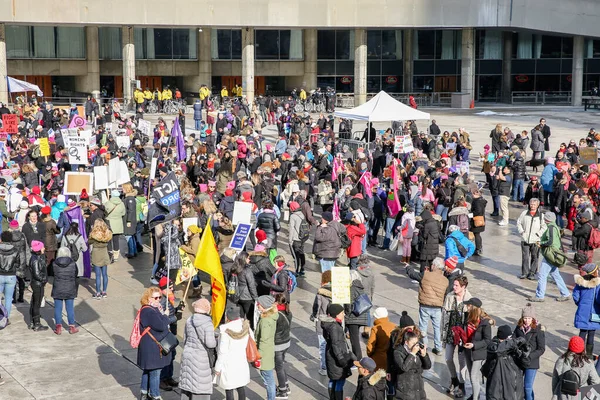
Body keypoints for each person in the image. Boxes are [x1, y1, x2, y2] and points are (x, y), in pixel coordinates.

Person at [406, 257, 448, 355]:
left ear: (434, 266)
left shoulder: (426, 275)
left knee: (423, 328)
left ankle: (423, 347)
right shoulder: (445, 280)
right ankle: (438, 348)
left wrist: (408, 268)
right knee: (437, 328)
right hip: (437, 307)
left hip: (425, 305)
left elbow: (413, 275)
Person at [137, 287, 172, 400]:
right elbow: (161, 326)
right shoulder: (149, 311)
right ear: (148, 298)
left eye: (159, 297)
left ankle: (144, 392)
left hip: (149, 344)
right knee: (156, 371)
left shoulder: (152, 308)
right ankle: (155, 395)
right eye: (155, 297)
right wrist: (166, 315)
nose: (158, 300)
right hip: (152, 346)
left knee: (148, 369)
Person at [528, 212, 571, 302]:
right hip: (554, 254)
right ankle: (565, 293)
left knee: (542, 275)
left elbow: (550, 241)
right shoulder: (554, 226)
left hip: (550, 254)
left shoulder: (550, 227)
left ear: (547, 219)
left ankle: (539, 296)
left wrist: (541, 243)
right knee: (555, 275)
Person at [179, 298, 217, 400]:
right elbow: (210, 344)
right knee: (199, 389)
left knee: (187, 386)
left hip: (188, 355)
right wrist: (216, 340)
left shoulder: (189, 320)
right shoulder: (207, 323)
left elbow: (185, 339)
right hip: (201, 359)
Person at [441, 276, 471, 397]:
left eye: (456, 285)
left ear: (463, 287)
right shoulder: (449, 297)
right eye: (453, 285)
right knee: (448, 358)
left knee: (462, 361)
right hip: (450, 332)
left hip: (462, 335)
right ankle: (454, 379)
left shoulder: (469, 299)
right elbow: (444, 316)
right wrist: (442, 333)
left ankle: (462, 385)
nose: (454, 287)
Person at [215, 306, 253, 400]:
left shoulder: (225, 331)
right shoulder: (244, 326)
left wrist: (217, 367)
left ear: (227, 317)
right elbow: (252, 340)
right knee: (240, 386)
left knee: (229, 388)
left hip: (228, 364)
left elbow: (222, 352)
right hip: (241, 361)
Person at [322, 303, 355, 400]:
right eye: (342, 312)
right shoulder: (334, 327)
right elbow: (335, 344)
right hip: (337, 357)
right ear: (336, 314)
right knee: (339, 381)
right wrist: (342, 360)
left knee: (333, 379)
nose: (344, 314)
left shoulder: (329, 324)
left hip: (331, 356)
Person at [461, 298, 493, 400]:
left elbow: (488, 341)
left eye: (468, 305)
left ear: (472, 307)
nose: (466, 307)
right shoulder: (468, 317)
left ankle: (475, 398)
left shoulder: (485, 323)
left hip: (478, 352)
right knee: (471, 375)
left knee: (474, 377)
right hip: (468, 350)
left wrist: (474, 345)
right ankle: (476, 395)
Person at [513, 303, 546, 400]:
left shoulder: (538, 330)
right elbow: (514, 341)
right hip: (519, 360)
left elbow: (541, 349)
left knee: (527, 387)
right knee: (519, 386)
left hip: (532, 362)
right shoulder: (518, 328)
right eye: (525, 318)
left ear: (533, 319)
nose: (526, 321)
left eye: (529, 318)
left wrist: (529, 356)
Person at [483, 325, 525, 400]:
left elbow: (526, 364)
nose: (511, 339)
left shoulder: (512, 348)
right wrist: (514, 342)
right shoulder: (493, 346)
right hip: (497, 391)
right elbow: (498, 349)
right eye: (509, 338)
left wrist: (524, 351)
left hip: (514, 391)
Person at [390, 329, 431, 400]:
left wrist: (424, 355)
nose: (415, 346)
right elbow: (404, 367)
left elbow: (427, 366)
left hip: (419, 392)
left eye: (417, 343)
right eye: (413, 343)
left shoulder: (418, 352)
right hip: (405, 393)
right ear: (406, 342)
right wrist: (412, 354)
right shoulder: (398, 352)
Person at [573, 263, 600, 357]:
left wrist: (580, 305)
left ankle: (578, 353)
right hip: (594, 313)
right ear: (594, 272)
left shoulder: (580, 282)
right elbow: (598, 299)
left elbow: (576, 296)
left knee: (582, 332)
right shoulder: (597, 284)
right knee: (591, 334)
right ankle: (588, 354)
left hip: (582, 312)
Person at [516, 198, 546, 280]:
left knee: (535, 256)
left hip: (536, 240)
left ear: (537, 205)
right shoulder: (524, 213)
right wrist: (522, 232)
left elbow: (544, 227)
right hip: (525, 239)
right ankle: (524, 272)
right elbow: (519, 223)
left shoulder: (541, 216)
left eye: (534, 204)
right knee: (525, 256)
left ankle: (532, 273)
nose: (532, 206)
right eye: (531, 204)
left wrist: (538, 234)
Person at [51, 246, 79, 335]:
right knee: (70, 308)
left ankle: (58, 327)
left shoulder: (54, 263)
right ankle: (72, 327)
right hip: (70, 287)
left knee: (58, 308)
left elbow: (52, 273)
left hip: (58, 287)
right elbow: (76, 274)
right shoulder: (73, 264)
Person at [256, 295, 279, 400]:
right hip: (269, 351)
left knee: (268, 380)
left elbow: (263, 339)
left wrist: (258, 355)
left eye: (259, 304)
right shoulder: (272, 316)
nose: (257, 306)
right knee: (269, 379)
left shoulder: (265, 321)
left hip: (264, 354)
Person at [311, 271, 332, 376]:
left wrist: (314, 316)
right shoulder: (339, 291)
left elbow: (316, 308)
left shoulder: (320, 293)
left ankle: (324, 367)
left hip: (322, 321)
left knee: (323, 345)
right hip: (334, 322)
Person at [0, 230, 23, 325]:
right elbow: (18, 263)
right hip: (11, 276)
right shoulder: (15, 250)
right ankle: (6, 317)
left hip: (0, 275)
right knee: (8, 298)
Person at [346, 269, 369, 360]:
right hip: (361, 316)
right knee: (355, 339)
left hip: (353, 318)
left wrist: (346, 314)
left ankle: (358, 359)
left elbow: (349, 304)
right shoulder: (360, 286)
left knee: (354, 340)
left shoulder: (351, 288)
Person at [273, 293, 293, 399]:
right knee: (281, 365)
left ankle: (282, 390)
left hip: (278, 344)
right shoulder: (288, 312)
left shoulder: (276, 315)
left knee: (278, 367)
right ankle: (286, 385)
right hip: (286, 342)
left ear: (276, 302)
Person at [89, 219, 113, 299]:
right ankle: (104, 292)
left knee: (98, 275)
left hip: (96, 254)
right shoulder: (107, 233)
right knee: (105, 274)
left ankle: (98, 293)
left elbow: (89, 242)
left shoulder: (94, 234)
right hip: (104, 253)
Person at [366, 307, 396, 371]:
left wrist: (370, 355)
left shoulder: (375, 328)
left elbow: (370, 347)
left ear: (376, 317)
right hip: (392, 359)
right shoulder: (394, 326)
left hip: (378, 359)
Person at [28, 240, 49, 331]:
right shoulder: (35, 259)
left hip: (37, 283)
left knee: (35, 302)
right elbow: (37, 274)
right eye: (42, 247)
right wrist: (43, 279)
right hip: (38, 284)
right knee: (37, 303)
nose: (44, 248)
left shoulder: (37, 257)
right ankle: (37, 323)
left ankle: (33, 321)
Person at [103, 189, 125, 262]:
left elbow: (105, 212)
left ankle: (110, 254)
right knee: (116, 240)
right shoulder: (121, 203)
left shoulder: (108, 203)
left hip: (109, 222)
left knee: (109, 240)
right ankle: (116, 256)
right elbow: (123, 213)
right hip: (118, 223)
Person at [288, 201, 307, 276]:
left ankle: (296, 270)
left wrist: (290, 240)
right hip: (302, 238)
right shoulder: (301, 214)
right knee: (301, 253)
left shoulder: (293, 216)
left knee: (296, 256)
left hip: (296, 238)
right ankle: (302, 269)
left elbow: (291, 229)